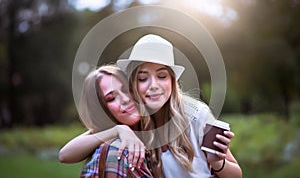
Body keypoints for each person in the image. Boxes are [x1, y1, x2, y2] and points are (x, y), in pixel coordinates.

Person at [116, 34, 242, 177]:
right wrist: (119, 129)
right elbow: (88, 146)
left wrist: (217, 163)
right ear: (133, 83)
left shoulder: (197, 115)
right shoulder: (129, 116)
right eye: (143, 78)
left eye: (162, 76)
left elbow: (236, 175)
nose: (154, 86)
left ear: (172, 80)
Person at [59, 65, 152, 177]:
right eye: (111, 98)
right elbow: (64, 155)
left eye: (126, 90)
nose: (126, 99)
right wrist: (118, 130)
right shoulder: (117, 150)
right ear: (101, 111)